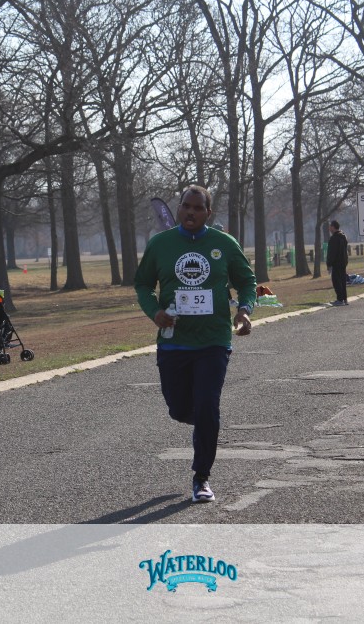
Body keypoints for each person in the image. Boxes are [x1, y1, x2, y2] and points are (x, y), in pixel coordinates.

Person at [134, 185, 257, 503]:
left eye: (197, 208)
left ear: (208, 213)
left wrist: (244, 311)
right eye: (185, 206)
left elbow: (246, 281)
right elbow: (143, 284)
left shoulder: (224, 244)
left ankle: (201, 477)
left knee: (207, 405)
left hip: (213, 341)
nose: (190, 212)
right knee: (178, 409)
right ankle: (199, 417)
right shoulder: (160, 244)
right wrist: (155, 312)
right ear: (179, 209)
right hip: (174, 342)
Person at [326, 220, 349, 306]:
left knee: (336, 281)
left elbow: (332, 253)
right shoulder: (343, 237)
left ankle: (340, 299)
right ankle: (344, 299)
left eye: (330, 226)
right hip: (343, 262)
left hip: (336, 263)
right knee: (343, 281)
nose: (329, 228)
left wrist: (329, 264)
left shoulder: (334, 238)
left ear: (333, 227)